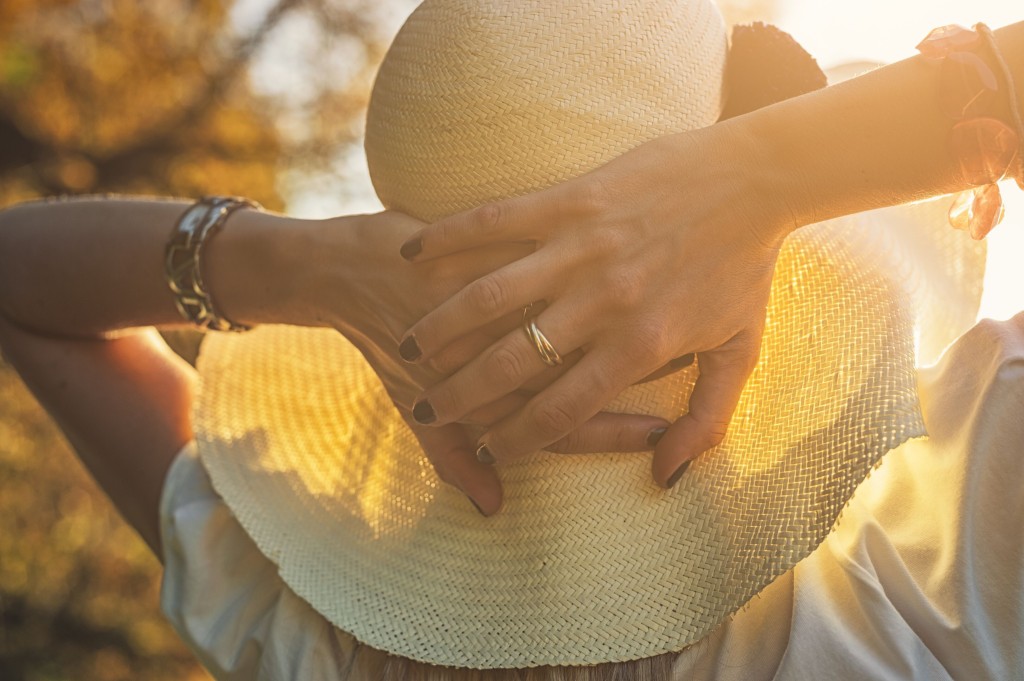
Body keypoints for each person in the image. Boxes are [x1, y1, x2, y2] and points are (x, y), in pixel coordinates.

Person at [0, 2, 1020, 680]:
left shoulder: (326, 632)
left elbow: (20, 276)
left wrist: (303, 266)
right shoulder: (944, 531)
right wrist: (754, 178)